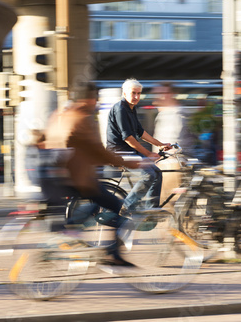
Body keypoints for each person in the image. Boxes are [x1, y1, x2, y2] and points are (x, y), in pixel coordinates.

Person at [39, 82, 140, 266]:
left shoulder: (59, 114)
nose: (97, 103)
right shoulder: (83, 119)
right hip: (77, 179)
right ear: (89, 99)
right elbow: (97, 151)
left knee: (94, 206)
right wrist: (130, 163)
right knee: (121, 208)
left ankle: (71, 233)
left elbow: (44, 140)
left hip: (54, 177)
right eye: (96, 98)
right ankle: (111, 254)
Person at [106, 78, 171, 212]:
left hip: (128, 151)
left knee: (157, 172)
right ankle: (127, 206)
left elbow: (141, 133)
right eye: (133, 93)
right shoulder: (120, 109)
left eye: (139, 93)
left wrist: (160, 145)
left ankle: (151, 211)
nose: (136, 97)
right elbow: (129, 138)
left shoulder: (131, 108)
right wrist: (148, 154)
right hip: (119, 153)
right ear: (124, 93)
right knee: (148, 175)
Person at [151, 82, 198, 156]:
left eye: (160, 93)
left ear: (170, 94)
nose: (156, 97)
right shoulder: (162, 114)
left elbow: (173, 149)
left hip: (172, 164)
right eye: (154, 94)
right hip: (163, 163)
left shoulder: (178, 115)